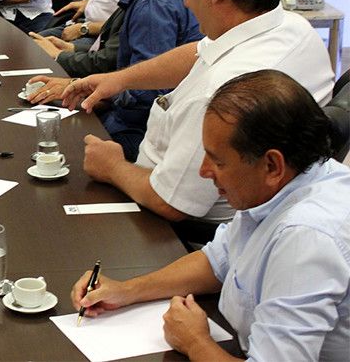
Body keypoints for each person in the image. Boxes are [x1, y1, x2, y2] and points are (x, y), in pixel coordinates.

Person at [62, 0, 334, 224]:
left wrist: (113, 167)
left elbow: (172, 203)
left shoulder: (221, 96)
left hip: (170, 224)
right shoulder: (292, 26)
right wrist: (118, 80)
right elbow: (198, 51)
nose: (186, 3)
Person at [71, 70, 350, 361]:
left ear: (271, 165)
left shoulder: (305, 239)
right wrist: (127, 291)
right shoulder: (282, 185)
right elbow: (219, 260)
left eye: (218, 161)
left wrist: (195, 342)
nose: (204, 171)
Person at [29, 0, 201, 161]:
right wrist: (80, 87)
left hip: (140, 131)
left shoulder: (152, 3)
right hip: (129, 117)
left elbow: (149, 94)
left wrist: (83, 89)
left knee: (57, 147)